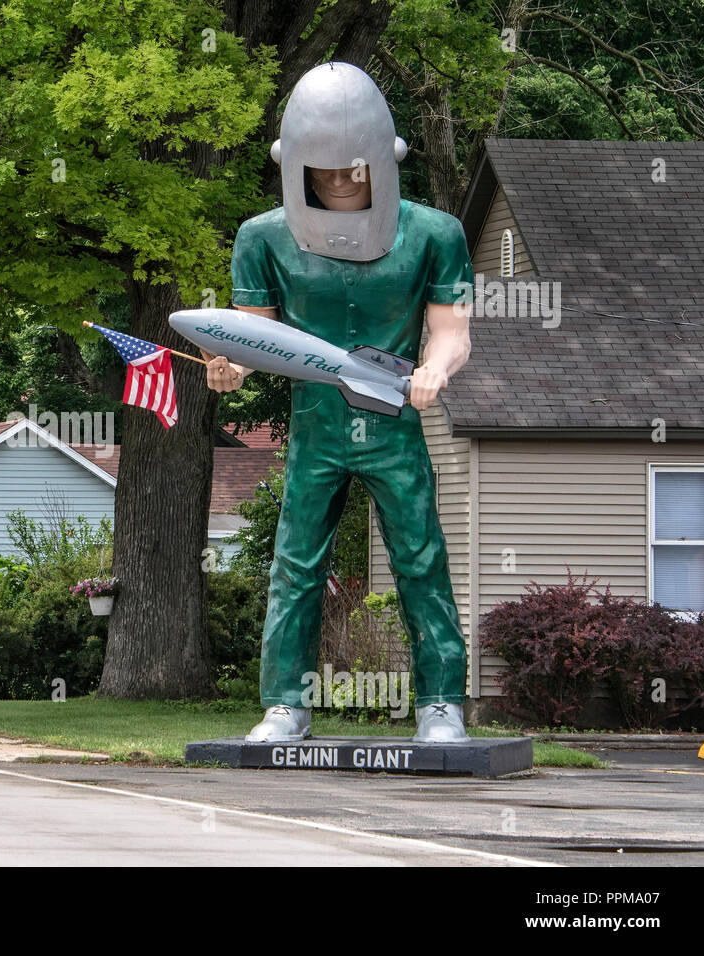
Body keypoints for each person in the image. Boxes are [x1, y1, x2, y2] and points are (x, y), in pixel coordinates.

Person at [201, 62, 474, 744]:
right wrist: (226, 366)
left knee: (420, 558)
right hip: (317, 425)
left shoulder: (434, 234)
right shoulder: (262, 237)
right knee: (295, 563)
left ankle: (442, 701)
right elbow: (249, 334)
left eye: (352, 167)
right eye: (321, 169)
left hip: (395, 422)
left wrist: (433, 371)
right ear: (295, 166)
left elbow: (451, 330)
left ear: (382, 161)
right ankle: (284, 704)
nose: (338, 179)